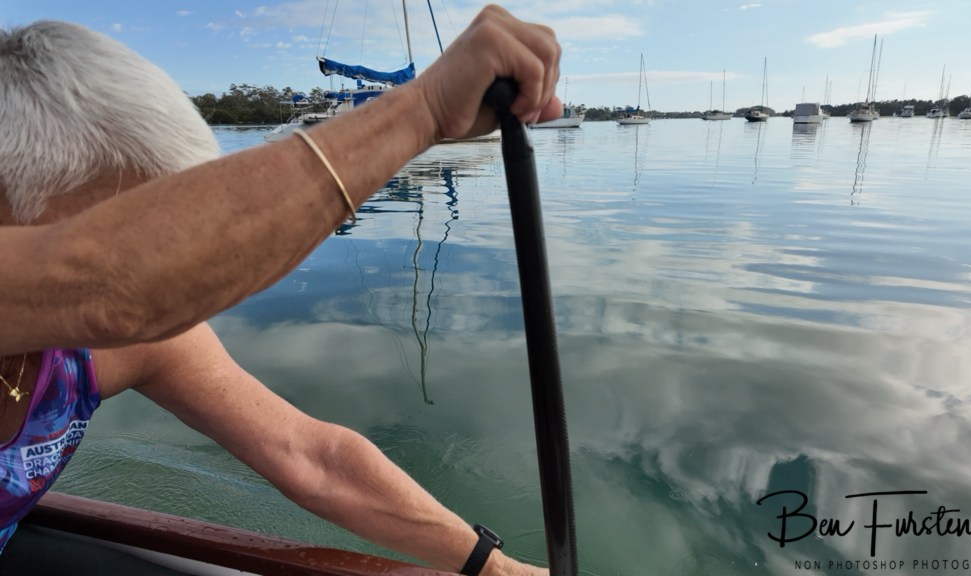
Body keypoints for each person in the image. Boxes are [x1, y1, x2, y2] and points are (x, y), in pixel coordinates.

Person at [0, 6, 561, 576]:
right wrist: (426, 108)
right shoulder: (119, 305)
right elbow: (119, 288)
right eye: (125, 222)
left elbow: (312, 458)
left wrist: (497, 570)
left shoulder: (139, 340)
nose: (172, 260)